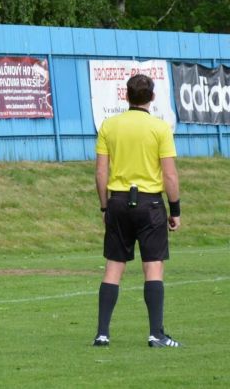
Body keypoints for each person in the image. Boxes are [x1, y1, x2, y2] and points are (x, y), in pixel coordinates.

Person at [93, 74, 182, 348]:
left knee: (113, 268)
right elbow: (169, 176)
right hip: (150, 204)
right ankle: (156, 334)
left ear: (126, 96)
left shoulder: (109, 125)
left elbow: (100, 172)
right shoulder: (160, 128)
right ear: (152, 97)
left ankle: (102, 334)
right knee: (152, 267)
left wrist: (105, 205)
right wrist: (175, 209)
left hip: (118, 202)